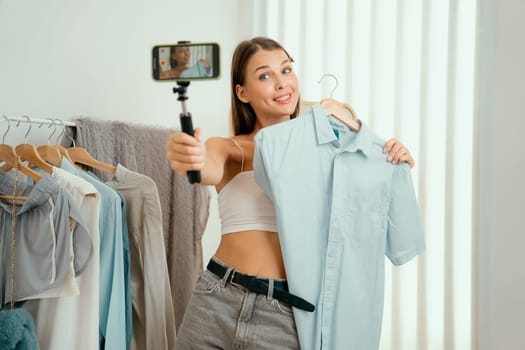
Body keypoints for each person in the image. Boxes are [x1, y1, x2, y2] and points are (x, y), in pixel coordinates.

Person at [166, 36, 415, 349]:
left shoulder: (331, 156)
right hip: (215, 299)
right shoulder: (231, 149)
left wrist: (392, 160)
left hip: (285, 313)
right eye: (265, 76)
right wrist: (188, 156)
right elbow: (205, 166)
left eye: (286, 70)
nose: (282, 83)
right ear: (242, 93)